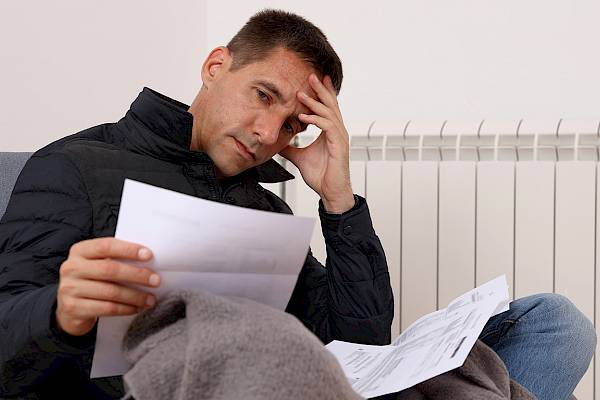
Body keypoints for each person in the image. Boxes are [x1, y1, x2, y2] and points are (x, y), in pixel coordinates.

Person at [0, 8, 595, 400]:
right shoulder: (76, 166)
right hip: (161, 384)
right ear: (215, 67)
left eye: (291, 124)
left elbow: (358, 342)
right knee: (274, 344)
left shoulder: (263, 209)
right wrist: (60, 312)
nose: (266, 132)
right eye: (263, 95)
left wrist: (339, 202)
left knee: (553, 321)